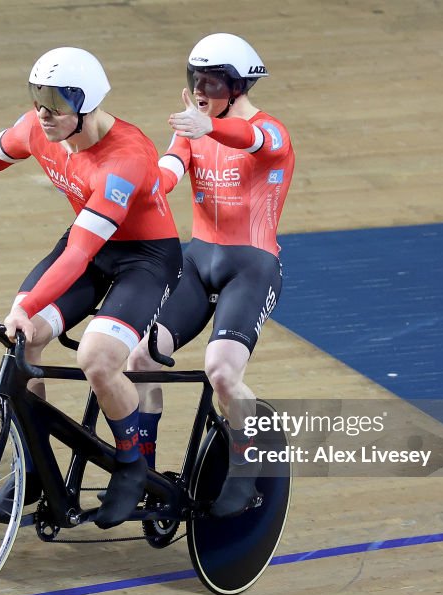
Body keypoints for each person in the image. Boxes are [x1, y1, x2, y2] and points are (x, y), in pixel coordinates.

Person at [0, 47, 181, 528]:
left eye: (57, 102)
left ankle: (130, 463)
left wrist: (34, 302)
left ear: (87, 104)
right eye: (38, 98)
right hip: (91, 243)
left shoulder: (126, 159)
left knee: (97, 360)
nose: (44, 112)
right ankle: (34, 466)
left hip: (145, 258)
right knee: (26, 336)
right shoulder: (40, 129)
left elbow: (79, 253)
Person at [127, 33, 295, 517]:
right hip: (197, 261)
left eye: (212, 82)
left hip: (252, 267)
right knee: (142, 355)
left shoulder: (272, 132)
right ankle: (145, 466)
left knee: (222, 371)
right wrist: (136, 185)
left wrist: (206, 128)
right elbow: (169, 172)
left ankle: (245, 473)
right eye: (194, 79)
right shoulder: (192, 130)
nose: (200, 90)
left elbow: (251, 139)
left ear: (239, 87)